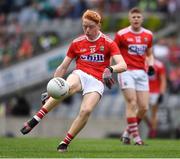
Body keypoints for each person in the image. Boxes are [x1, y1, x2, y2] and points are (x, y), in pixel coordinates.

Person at [20, 9, 127, 152]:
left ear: (99, 26)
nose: (87, 30)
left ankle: (64, 143)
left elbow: (123, 65)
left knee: (86, 111)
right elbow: (63, 67)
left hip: (97, 80)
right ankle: (35, 120)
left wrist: (110, 69)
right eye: (84, 26)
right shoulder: (77, 43)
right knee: (65, 88)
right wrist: (51, 89)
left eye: (91, 26)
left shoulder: (108, 43)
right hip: (80, 73)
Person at [114, 7, 155, 145]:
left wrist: (151, 65)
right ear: (129, 18)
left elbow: (149, 54)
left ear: (142, 19)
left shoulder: (148, 35)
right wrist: (111, 69)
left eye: (138, 17)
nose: (136, 19)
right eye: (134, 17)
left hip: (141, 72)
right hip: (126, 71)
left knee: (144, 108)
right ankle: (137, 139)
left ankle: (126, 133)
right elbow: (114, 53)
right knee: (132, 103)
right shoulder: (121, 34)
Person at [144, 59, 167, 138]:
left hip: (155, 92)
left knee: (154, 113)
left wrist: (162, 93)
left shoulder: (159, 65)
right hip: (144, 91)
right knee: (141, 110)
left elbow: (163, 80)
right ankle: (150, 124)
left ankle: (153, 132)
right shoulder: (142, 63)